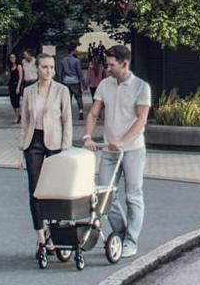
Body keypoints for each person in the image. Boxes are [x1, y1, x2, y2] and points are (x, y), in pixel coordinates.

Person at [80, 44, 150, 263]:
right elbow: (93, 113)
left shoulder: (141, 87)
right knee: (106, 194)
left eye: (112, 65)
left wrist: (122, 140)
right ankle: (119, 233)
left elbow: (141, 121)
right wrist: (88, 137)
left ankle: (131, 240)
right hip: (109, 150)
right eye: (107, 64)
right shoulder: (104, 84)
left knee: (133, 195)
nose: (108, 68)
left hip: (133, 150)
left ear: (124, 64)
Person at [14, 47, 72, 248]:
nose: (49, 71)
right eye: (45, 67)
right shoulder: (29, 91)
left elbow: (67, 121)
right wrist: (21, 151)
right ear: (37, 69)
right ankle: (41, 236)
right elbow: (25, 122)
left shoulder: (62, 90)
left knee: (55, 190)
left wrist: (66, 149)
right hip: (33, 142)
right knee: (35, 190)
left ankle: (54, 230)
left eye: (51, 68)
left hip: (55, 142)